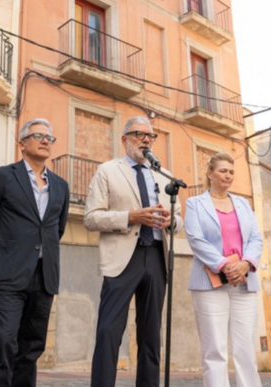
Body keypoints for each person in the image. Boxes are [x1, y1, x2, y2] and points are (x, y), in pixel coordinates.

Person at [84, 116, 184, 387]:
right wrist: (131, 216)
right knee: (108, 331)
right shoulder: (108, 170)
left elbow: (177, 218)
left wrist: (170, 221)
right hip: (122, 258)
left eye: (150, 136)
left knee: (151, 336)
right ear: (124, 139)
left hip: (156, 257)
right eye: (139, 134)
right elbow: (91, 217)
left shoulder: (162, 175)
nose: (146, 140)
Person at [0, 118, 70, 387]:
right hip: (9, 275)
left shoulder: (60, 186)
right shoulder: (3, 176)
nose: (45, 141)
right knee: (3, 340)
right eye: (38, 135)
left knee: (31, 347)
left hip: (44, 277)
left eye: (49, 138)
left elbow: (55, 230)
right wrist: (1, 257)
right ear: (22, 143)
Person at [184, 152, 263, 387]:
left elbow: (256, 238)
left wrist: (245, 264)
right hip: (209, 283)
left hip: (244, 281)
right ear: (210, 174)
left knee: (246, 347)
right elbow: (195, 239)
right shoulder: (195, 203)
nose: (227, 175)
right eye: (222, 170)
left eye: (231, 171)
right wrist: (225, 266)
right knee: (214, 349)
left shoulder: (243, 204)